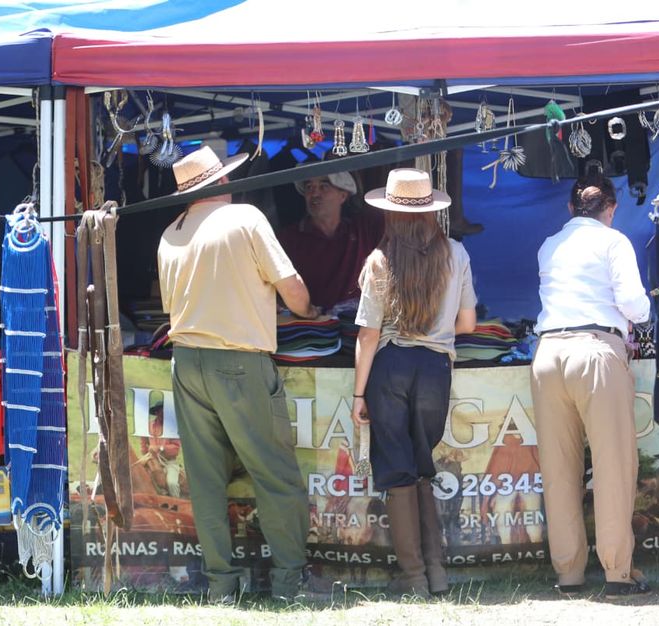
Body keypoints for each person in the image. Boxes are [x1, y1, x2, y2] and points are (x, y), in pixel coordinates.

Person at [157, 146, 325, 604]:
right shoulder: (245, 218)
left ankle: (221, 588)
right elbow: (291, 288)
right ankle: (290, 583)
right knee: (275, 475)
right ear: (221, 183)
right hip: (239, 361)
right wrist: (310, 310)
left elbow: (171, 306)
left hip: (187, 361)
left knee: (207, 481)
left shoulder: (170, 232)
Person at [349, 168, 477, 596]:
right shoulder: (456, 253)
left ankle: (415, 579)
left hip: (389, 367)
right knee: (423, 467)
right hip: (435, 369)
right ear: (431, 212)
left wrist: (358, 393)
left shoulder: (379, 260)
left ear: (389, 213)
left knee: (398, 471)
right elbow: (469, 322)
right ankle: (436, 574)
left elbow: (368, 335)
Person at [530, 170, 651, 599]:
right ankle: (617, 571)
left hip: (547, 355)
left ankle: (569, 573)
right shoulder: (612, 241)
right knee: (612, 465)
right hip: (596, 351)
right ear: (611, 209)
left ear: (570, 208)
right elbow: (635, 306)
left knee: (558, 467)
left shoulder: (550, 246)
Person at [277, 171, 384, 310]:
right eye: (309, 187)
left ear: (343, 196)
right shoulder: (288, 239)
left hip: (356, 324)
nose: (314, 194)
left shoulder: (362, 230)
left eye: (324, 187)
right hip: (311, 326)